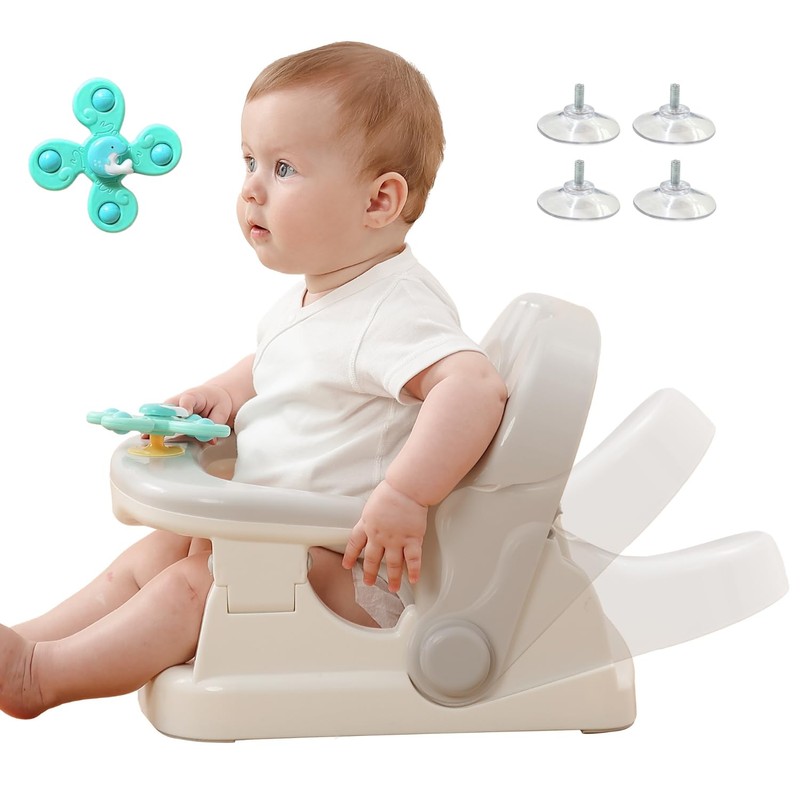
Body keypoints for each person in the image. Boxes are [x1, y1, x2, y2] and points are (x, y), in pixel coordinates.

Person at [0, 41, 507, 720]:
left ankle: (39, 678)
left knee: (193, 585)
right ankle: (30, 640)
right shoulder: (324, 294)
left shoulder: (394, 308)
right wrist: (227, 392)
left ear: (379, 200)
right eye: (249, 162)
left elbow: (472, 387)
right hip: (284, 539)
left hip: (352, 574)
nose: (250, 188)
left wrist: (404, 497)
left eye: (284, 168)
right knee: (157, 555)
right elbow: (282, 363)